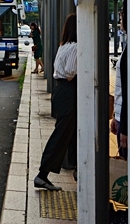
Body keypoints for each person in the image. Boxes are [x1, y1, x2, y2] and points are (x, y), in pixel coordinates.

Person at [34, 13, 78, 191]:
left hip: (61, 92)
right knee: (62, 134)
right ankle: (42, 174)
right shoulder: (75, 47)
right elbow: (69, 74)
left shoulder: (64, 45)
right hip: (69, 92)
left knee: (72, 133)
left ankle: (78, 169)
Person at [110, 2, 128, 160]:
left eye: (122, 14)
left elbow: (129, 91)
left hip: (127, 119)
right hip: (123, 116)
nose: (120, 18)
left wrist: (126, 128)